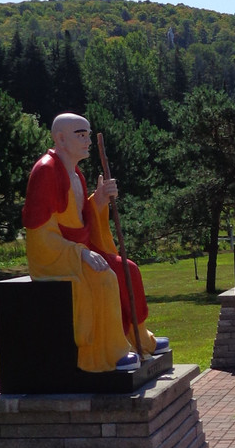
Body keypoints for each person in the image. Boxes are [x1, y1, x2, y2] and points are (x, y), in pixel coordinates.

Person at [23, 113, 165, 373]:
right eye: (81, 134)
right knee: (104, 278)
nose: (88, 140)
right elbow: (39, 235)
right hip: (58, 257)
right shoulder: (46, 171)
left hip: (80, 249)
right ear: (61, 138)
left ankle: (139, 336)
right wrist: (78, 253)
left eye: (89, 133)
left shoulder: (75, 173)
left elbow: (79, 218)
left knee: (129, 270)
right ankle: (111, 351)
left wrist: (99, 200)